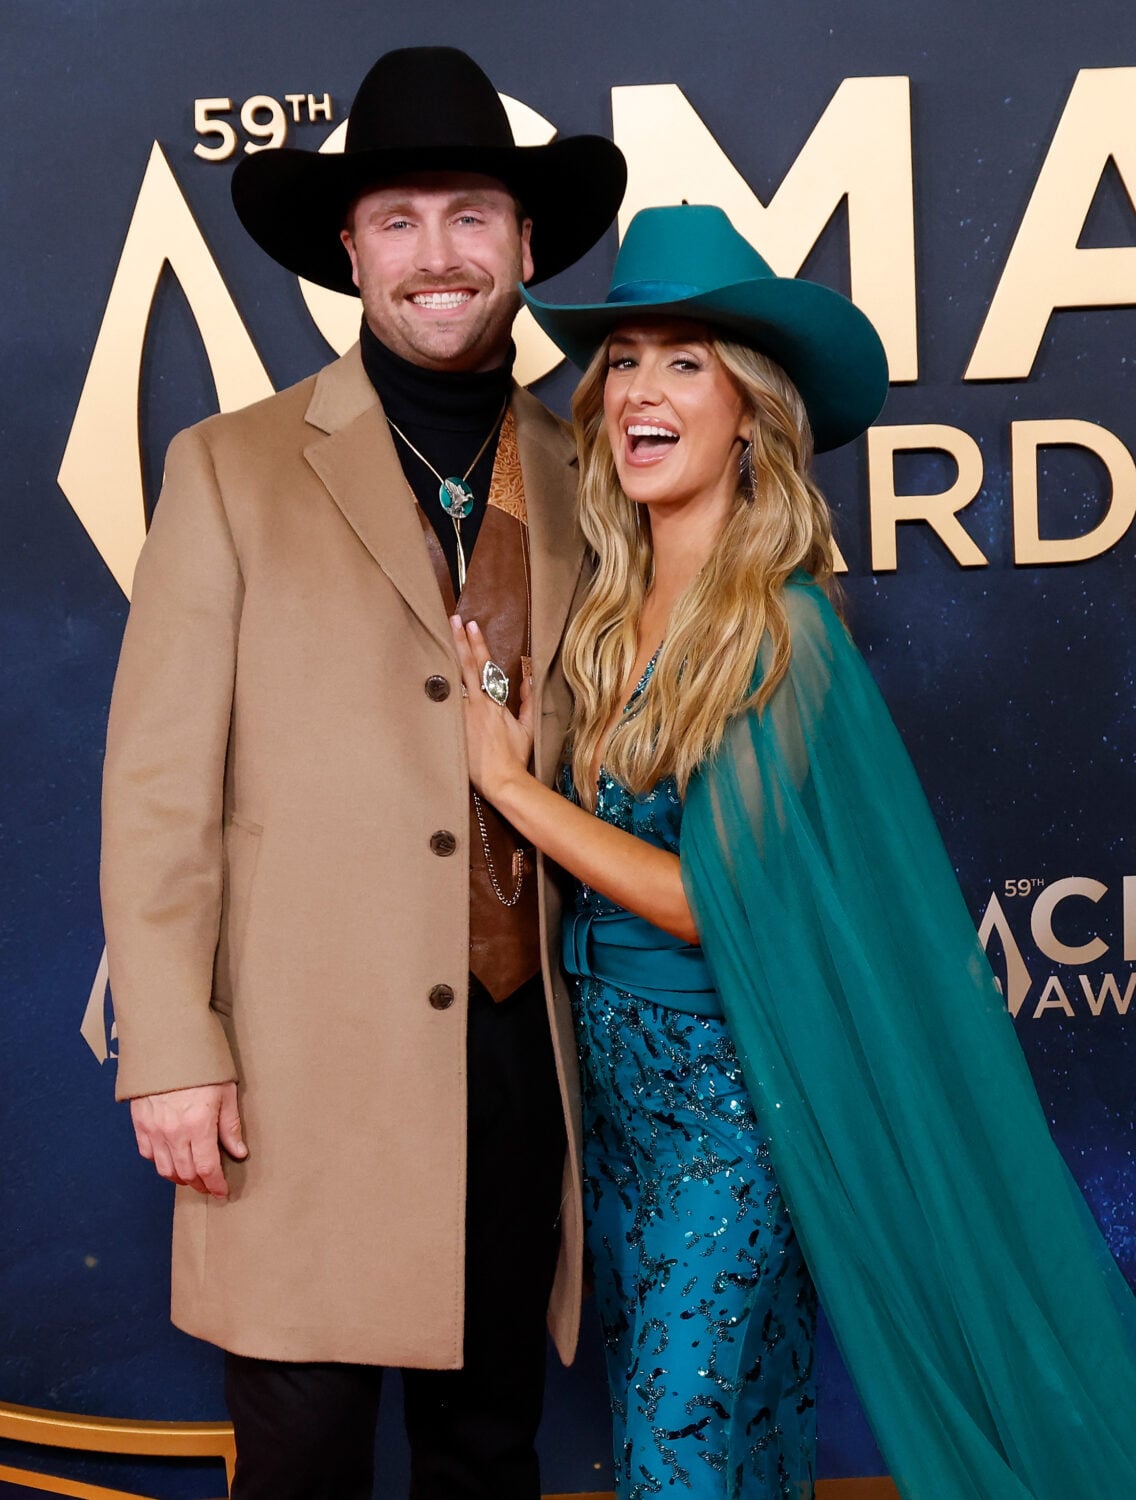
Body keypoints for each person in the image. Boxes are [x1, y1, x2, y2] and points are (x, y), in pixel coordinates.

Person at [451, 203, 1136, 1500]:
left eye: (687, 363)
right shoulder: (603, 613)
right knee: (748, 1427)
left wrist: (508, 789)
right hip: (617, 1116)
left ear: (750, 411)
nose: (645, 392)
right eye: (628, 362)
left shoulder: (783, 630)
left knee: (676, 1454)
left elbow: (721, 903)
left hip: (739, 1107)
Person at [99, 46, 625, 1500]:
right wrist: (174, 1048)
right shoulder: (229, 467)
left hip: (526, 1065)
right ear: (349, 253)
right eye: (399, 220)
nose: (438, 256)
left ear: (526, 244)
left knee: (486, 1451)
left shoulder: (595, 471)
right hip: (298, 1071)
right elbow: (158, 791)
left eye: (473, 216)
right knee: (303, 1459)